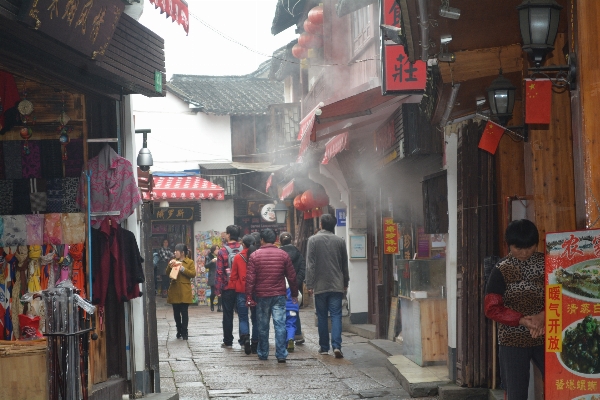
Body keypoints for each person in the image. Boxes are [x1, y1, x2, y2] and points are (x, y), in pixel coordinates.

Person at [484, 219, 545, 400]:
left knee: (559, 380)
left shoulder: (548, 263)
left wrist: (543, 316)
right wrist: (521, 320)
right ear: (508, 245)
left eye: (530, 247)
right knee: (516, 393)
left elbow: (560, 294)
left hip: (546, 333)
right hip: (512, 339)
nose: (525, 252)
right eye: (518, 247)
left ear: (537, 244)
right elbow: (491, 307)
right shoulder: (501, 270)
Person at [245, 228, 298, 363]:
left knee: (263, 326)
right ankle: (281, 354)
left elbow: (250, 279)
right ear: (275, 240)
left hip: (261, 295)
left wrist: (249, 297)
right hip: (279, 295)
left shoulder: (254, 256)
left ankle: (263, 352)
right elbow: (291, 276)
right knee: (280, 324)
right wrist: (294, 293)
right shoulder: (283, 255)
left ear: (261, 240)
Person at [306, 214, 349, 358]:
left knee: (322, 315)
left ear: (321, 224)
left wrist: (309, 283)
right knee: (336, 315)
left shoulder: (312, 240)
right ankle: (336, 346)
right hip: (337, 283)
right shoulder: (340, 241)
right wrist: (346, 282)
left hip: (320, 284)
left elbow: (310, 264)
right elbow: (344, 265)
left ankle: (324, 347)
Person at [228, 234, 258, 354]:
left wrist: (231, 289)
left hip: (241, 291)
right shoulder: (258, 255)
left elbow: (233, 276)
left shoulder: (238, 257)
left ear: (243, 245)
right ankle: (255, 342)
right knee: (256, 318)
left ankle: (245, 338)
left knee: (243, 317)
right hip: (256, 290)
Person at [215, 225, 242, 348]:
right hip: (241, 286)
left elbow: (219, 272)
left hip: (227, 287)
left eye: (226, 233)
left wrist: (218, 289)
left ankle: (228, 341)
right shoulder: (243, 248)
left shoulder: (222, 251)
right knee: (242, 314)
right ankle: (244, 338)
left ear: (229, 235)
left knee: (227, 314)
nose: (225, 235)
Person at [279, 231, 306, 345]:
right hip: (294, 286)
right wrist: (296, 282)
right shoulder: (298, 253)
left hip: (281, 286)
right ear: (291, 240)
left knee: (281, 311)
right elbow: (302, 269)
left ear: (280, 241)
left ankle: (285, 337)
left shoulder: (279, 254)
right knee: (294, 310)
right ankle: (297, 334)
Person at [165, 243, 196, 340]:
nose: (175, 252)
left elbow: (193, 274)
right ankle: (178, 329)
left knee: (184, 312)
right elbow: (167, 273)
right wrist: (170, 266)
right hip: (175, 289)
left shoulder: (189, 262)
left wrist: (182, 269)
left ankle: (184, 331)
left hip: (184, 290)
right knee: (176, 312)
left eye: (176, 251)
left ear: (182, 253)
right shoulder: (174, 261)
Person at [284, 277, 302, 353]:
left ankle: (286, 343)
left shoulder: (280, 288)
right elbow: (300, 296)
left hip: (284, 309)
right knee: (291, 325)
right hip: (293, 310)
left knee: (283, 326)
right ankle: (291, 338)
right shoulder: (293, 287)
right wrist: (297, 306)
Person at [205, 245, 219, 311]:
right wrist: (212, 261)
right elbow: (206, 265)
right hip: (213, 275)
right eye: (216, 249)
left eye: (218, 249)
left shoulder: (220, 256)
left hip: (219, 275)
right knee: (213, 292)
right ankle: (212, 304)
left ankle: (219, 307)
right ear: (213, 250)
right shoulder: (208, 257)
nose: (218, 250)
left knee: (220, 292)